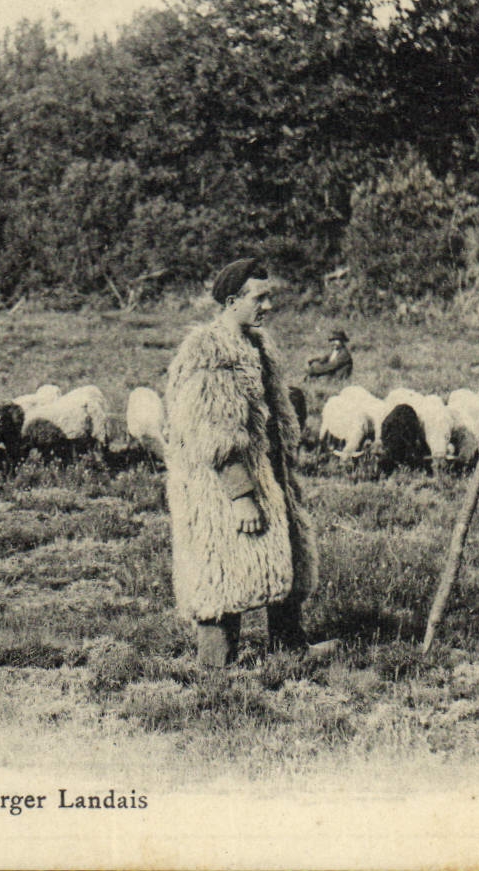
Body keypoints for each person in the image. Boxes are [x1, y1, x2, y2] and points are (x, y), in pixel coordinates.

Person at [164, 259, 323, 667]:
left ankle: (290, 647)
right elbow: (214, 434)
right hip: (224, 485)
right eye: (260, 297)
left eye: (269, 296)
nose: (267, 305)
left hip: (270, 472)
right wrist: (241, 495)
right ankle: (217, 663)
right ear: (233, 301)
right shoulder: (211, 352)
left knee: (284, 552)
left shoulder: (258, 345)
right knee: (222, 565)